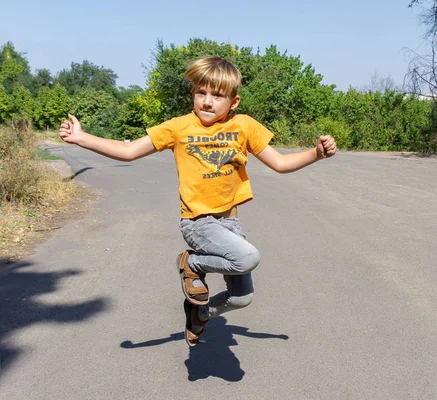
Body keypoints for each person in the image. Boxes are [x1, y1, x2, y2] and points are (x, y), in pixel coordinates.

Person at [59, 56, 337, 346]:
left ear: (234, 101)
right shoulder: (179, 127)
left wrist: (315, 154)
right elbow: (129, 151)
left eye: (217, 96)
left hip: (230, 223)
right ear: (192, 94)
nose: (207, 101)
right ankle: (191, 263)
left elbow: (280, 163)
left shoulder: (244, 126)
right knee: (248, 257)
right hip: (198, 222)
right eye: (200, 93)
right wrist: (82, 138)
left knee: (242, 298)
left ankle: (200, 313)